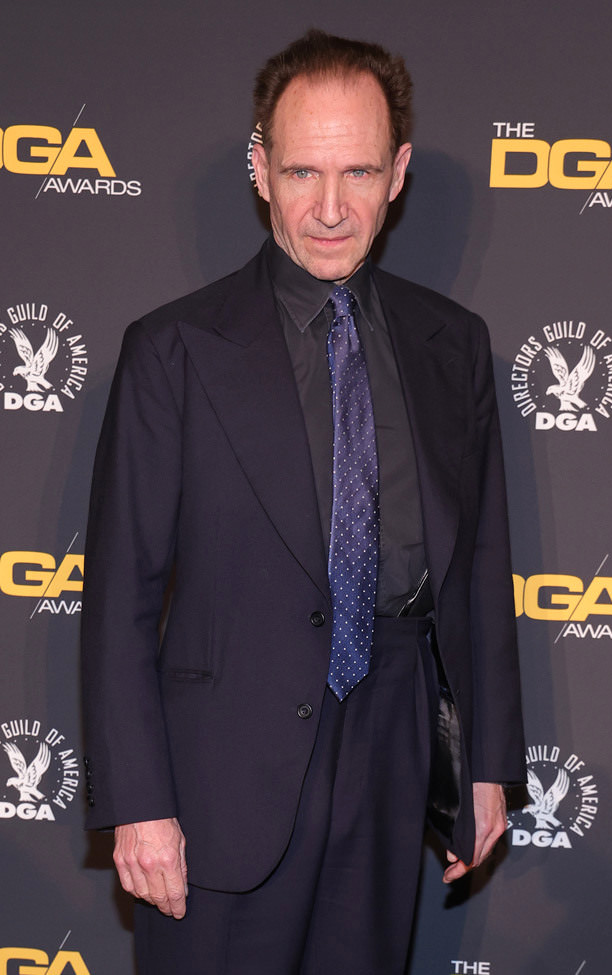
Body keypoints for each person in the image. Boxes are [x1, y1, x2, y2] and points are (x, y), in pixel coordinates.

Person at [81, 29, 525, 975]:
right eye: (302, 173)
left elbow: (483, 572)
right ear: (260, 170)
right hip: (217, 778)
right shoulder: (174, 349)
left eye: (358, 172)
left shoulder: (453, 346)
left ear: (398, 173)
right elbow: (119, 596)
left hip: (392, 754)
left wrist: (487, 762)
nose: (330, 209)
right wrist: (139, 802)